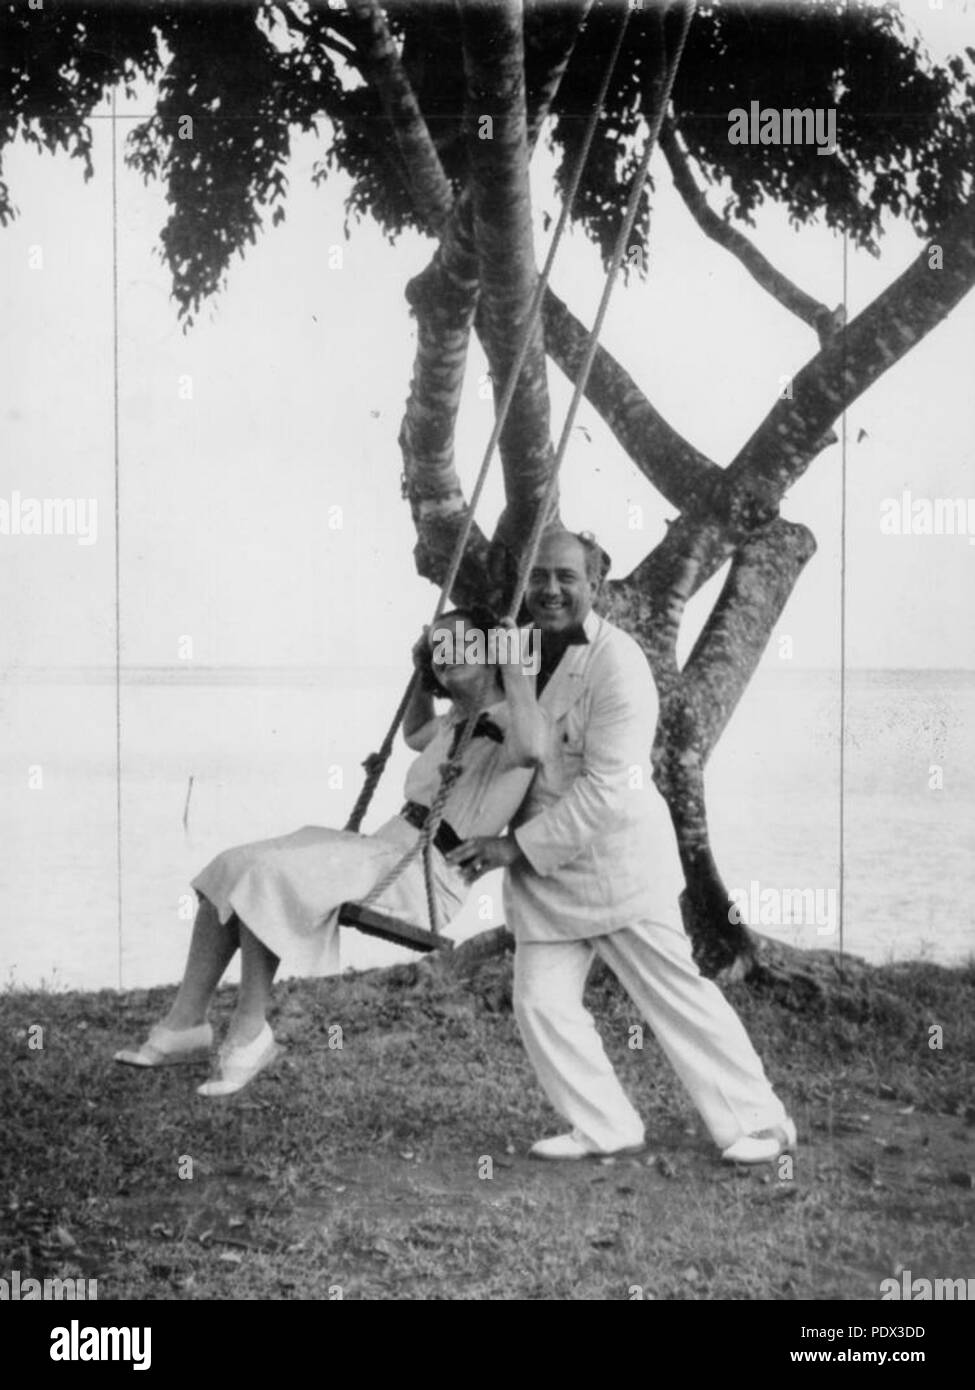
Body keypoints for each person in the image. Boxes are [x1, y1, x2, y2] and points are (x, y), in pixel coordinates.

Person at [448, 529, 797, 1165]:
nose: (550, 590)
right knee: (540, 1006)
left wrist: (510, 849)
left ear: (595, 584)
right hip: (545, 879)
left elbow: (610, 788)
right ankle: (604, 1125)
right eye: (540, 578)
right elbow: (460, 708)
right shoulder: (514, 647)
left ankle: (761, 1123)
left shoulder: (621, 664)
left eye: (566, 577)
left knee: (676, 996)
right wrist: (434, 657)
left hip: (618, 865)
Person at [115, 607, 540, 1098]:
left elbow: (531, 751)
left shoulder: (517, 721)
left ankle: (251, 1033)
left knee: (271, 875)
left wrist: (516, 667)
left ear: (492, 653)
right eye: (437, 649)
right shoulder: (454, 723)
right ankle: (185, 1024)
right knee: (232, 866)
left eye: (460, 646)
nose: (446, 658)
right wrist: (419, 671)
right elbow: (413, 734)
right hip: (385, 850)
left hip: (423, 877)